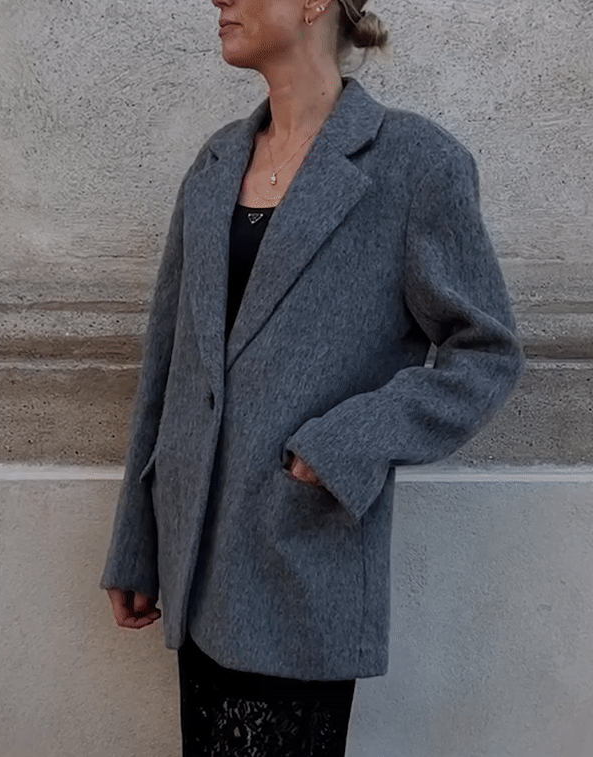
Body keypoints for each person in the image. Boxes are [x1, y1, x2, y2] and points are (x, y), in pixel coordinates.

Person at [100, 1, 525, 755]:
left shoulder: (415, 164)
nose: (218, 0)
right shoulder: (215, 164)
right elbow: (167, 363)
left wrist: (347, 443)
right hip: (194, 567)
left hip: (300, 560)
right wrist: (136, 541)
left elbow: (485, 351)